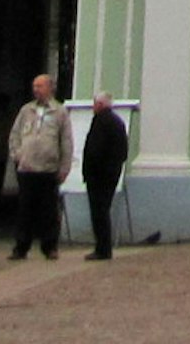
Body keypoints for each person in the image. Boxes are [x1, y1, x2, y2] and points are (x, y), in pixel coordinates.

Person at [3, 74, 68, 261]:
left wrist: (64, 166)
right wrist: (17, 154)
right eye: (34, 86)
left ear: (50, 88)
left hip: (48, 168)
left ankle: (50, 247)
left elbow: (66, 141)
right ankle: (21, 247)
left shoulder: (59, 112)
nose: (36, 89)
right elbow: (15, 135)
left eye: (40, 86)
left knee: (48, 210)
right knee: (25, 209)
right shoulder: (26, 110)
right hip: (27, 167)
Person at [76, 93, 129, 262]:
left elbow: (94, 150)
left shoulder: (101, 121)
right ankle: (103, 247)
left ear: (99, 104)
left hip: (99, 176)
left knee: (99, 213)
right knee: (103, 211)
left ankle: (102, 248)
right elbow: (123, 152)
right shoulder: (118, 122)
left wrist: (90, 171)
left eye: (94, 103)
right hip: (111, 174)